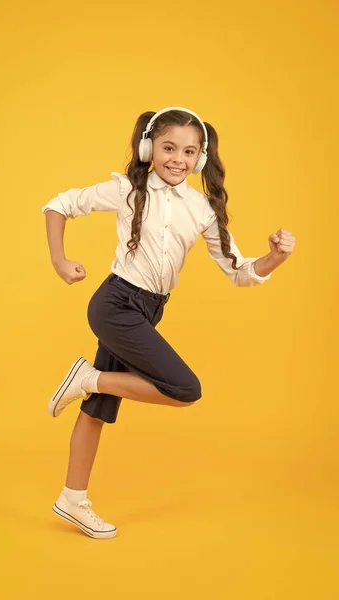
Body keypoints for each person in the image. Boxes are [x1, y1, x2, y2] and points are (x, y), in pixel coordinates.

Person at [41, 106, 295, 540]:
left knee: (97, 409)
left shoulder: (203, 209)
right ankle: (89, 378)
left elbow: (237, 271)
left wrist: (275, 257)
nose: (178, 158)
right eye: (168, 147)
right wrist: (60, 261)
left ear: (201, 157)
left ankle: (72, 498)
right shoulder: (127, 191)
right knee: (185, 389)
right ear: (149, 148)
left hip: (147, 309)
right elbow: (59, 205)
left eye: (189, 151)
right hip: (116, 304)